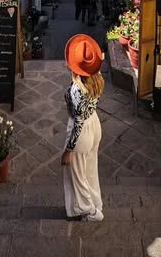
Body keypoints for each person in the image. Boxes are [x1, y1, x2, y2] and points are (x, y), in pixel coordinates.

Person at [61, 34, 105, 222]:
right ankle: (95, 203)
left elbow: (77, 123)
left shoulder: (77, 89)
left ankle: (90, 212)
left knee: (77, 175)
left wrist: (68, 150)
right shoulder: (97, 77)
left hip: (81, 132)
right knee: (89, 170)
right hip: (94, 124)